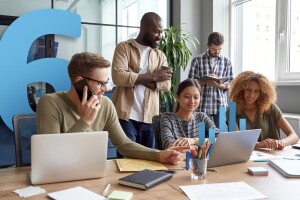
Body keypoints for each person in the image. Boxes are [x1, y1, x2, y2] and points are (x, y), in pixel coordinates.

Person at [36, 52, 183, 165]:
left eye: (106, 82)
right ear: (80, 82)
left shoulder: (105, 104)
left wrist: (159, 155)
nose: (106, 89)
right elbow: (52, 155)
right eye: (101, 83)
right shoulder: (49, 104)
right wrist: (85, 121)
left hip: (94, 175)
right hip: (60, 177)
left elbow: (124, 144)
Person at [111, 12, 172, 150]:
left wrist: (134, 77)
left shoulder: (160, 55)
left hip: (150, 117)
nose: (159, 36)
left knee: (148, 162)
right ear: (143, 28)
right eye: (156, 31)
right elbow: (118, 77)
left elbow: (166, 85)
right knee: (126, 161)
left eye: (161, 32)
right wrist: (154, 76)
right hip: (125, 117)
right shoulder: (124, 48)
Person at [228, 71, 299, 149]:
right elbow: (236, 139)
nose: (251, 95)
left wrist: (282, 142)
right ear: (241, 90)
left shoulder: (270, 107)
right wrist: (258, 145)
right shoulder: (231, 110)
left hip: (274, 155)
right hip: (246, 157)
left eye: (256, 91)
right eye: (248, 89)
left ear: (261, 93)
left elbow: (294, 136)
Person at [188, 32, 234, 128]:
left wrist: (218, 85)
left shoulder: (227, 62)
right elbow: (190, 84)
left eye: (219, 49)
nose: (216, 52)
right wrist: (204, 81)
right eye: (213, 49)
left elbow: (231, 83)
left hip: (220, 106)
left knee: (220, 136)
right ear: (208, 45)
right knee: (201, 137)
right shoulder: (197, 60)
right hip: (202, 105)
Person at [160, 79, 220, 150]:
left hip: (200, 160)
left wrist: (194, 141)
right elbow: (170, 146)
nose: (192, 101)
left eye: (196, 97)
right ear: (178, 97)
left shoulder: (202, 117)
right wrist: (202, 144)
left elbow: (219, 139)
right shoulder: (167, 119)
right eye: (187, 96)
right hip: (177, 159)